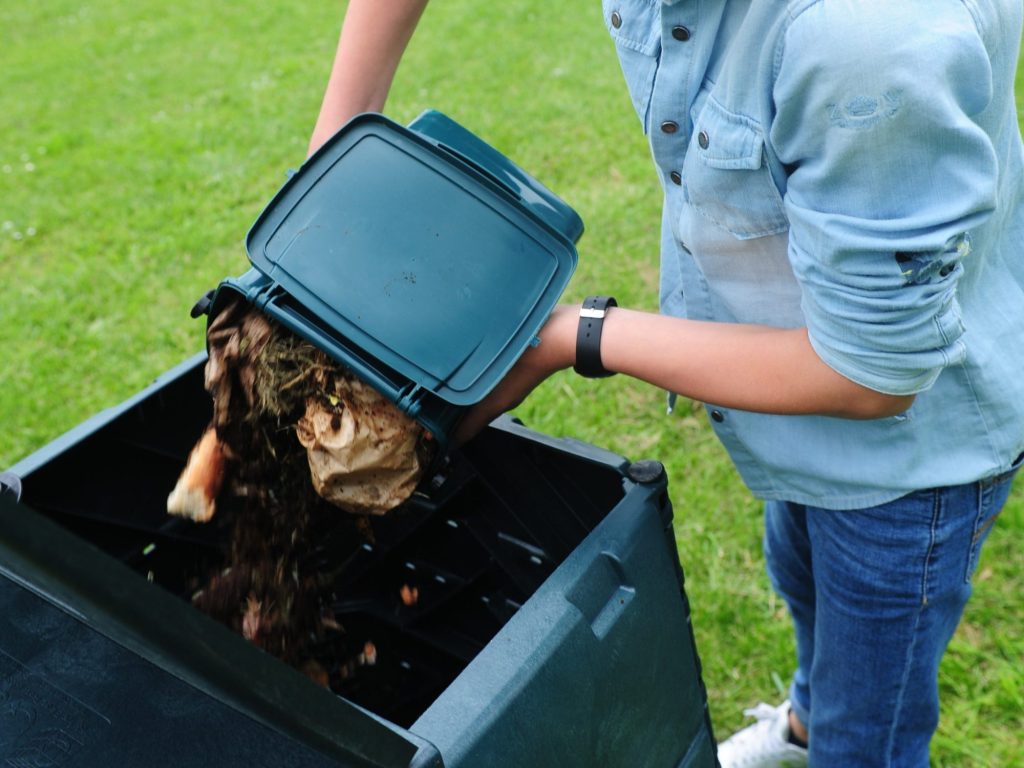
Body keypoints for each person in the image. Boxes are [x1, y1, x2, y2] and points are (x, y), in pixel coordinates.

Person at [308, 1, 1024, 765]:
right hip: (786, 387)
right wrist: (335, 152)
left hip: (908, 460)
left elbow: (874, 375)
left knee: (871, 696)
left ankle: (841, 738)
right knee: (802, 572)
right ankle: (808, 720)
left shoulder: (872, 41)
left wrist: (572, 337)